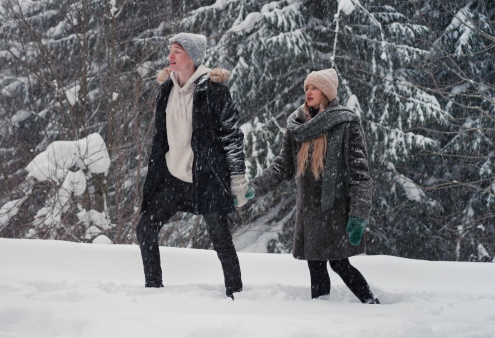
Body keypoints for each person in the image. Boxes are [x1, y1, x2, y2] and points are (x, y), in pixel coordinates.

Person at [242, 68, 380, 304]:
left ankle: (371, 305)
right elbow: (282, 166)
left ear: (326, 92)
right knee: (315, 265)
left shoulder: (346, 123)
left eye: (314, 87)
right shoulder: (297, 125)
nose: (308, 91)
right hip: (310, 212)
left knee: (339, 264)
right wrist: (254, 187)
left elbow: (361, 176)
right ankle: (320, 313)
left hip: (337, 210)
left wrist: (358, 216)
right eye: (307, 87)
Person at [137, 33, 250, 300]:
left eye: (177, 51)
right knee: (145, 228)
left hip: (207, 180)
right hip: (173, 179)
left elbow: (232, 137)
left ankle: (237, 294)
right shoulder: (165, 89)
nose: (170, 57)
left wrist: (237, 179)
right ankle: (153, 288)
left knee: (220, 239)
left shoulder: (213, 89)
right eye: (170, 51)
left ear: (193, 57)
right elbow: (159, 138)